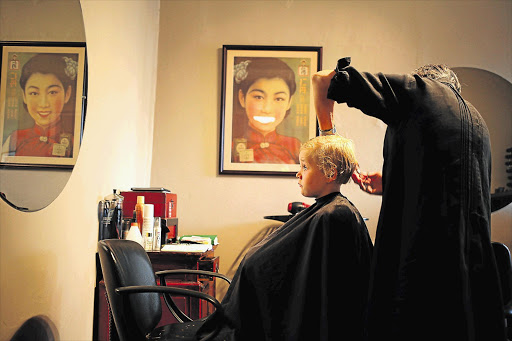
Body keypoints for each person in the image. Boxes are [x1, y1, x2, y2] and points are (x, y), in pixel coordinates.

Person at [312, 57, 506, 341]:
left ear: (425, 79)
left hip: (421, 270)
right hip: (469, 280)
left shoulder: (418, 91)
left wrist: (329, 137)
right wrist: (390, 180)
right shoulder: (477, 122)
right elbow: (449, 186)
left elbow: (323, 80)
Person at [201, 134, 373, 340]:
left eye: (305, 167)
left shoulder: (333, 215)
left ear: (330, 173)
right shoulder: (330, 210)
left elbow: (319, 284)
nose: (298, 174)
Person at [1, 53, 78, 159]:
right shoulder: (14, 140)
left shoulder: (76, 142)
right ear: (24, 96)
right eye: (34, 93)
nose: (43, 104)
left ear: (67, 94)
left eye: (52, 92)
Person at [231, 57, 302, 164]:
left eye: (279, 99)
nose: (267, 109)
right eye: (258, 97)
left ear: (289, 102)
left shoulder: (295, 146)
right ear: (242, 98)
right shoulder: (231, 147)